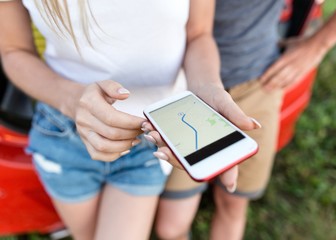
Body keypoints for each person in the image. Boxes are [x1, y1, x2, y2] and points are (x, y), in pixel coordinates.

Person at [0, 1, 258, 239]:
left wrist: (207, 89)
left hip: (152, 133)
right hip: (65, 132)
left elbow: (198, 33)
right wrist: (73, 100)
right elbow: (13, 50)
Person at [151, 0, 336, 239]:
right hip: (189, 87)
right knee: (170, 224)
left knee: (232, 203)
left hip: (257, 84)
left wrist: (318, 45)